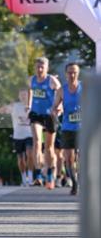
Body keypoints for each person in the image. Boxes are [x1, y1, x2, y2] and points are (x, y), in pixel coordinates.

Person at [27, 56, 60, 189]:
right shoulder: (32, 79)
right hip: (36, 114)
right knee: (36, 142)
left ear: (47, 68)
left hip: (49, 115)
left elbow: (60, 92)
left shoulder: (51, 80)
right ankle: (38, 175)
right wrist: (28, 105)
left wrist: (58, 106)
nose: (40, 69)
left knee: (49, 147)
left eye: (42, 67)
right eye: (38, 67)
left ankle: (51, 173)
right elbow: (30, 90)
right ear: (35, 67)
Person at [52, 62, 82, 196]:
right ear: (66, 74)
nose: (72, 75)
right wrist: (57, 111)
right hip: (68, 128)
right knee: (69, 158)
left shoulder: (84, 88)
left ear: (78, 73)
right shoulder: (61, 90)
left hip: (83, 128)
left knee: (81, 157)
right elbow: (54, 108)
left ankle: (82, 180)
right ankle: (75, 184)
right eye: (69, 72)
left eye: (74, 72)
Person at [0, 89, 33, 186]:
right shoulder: (15, 106)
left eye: (25, 95)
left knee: (29, 154)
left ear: (29, 95)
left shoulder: (33, 106)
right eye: (21, 95)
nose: (23, 97)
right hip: (18, 136)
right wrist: (7, 105)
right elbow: (0, 111)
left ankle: (30, 177)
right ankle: (23, 178)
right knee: (21, 158)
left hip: (30, 135)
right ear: (18, 96)